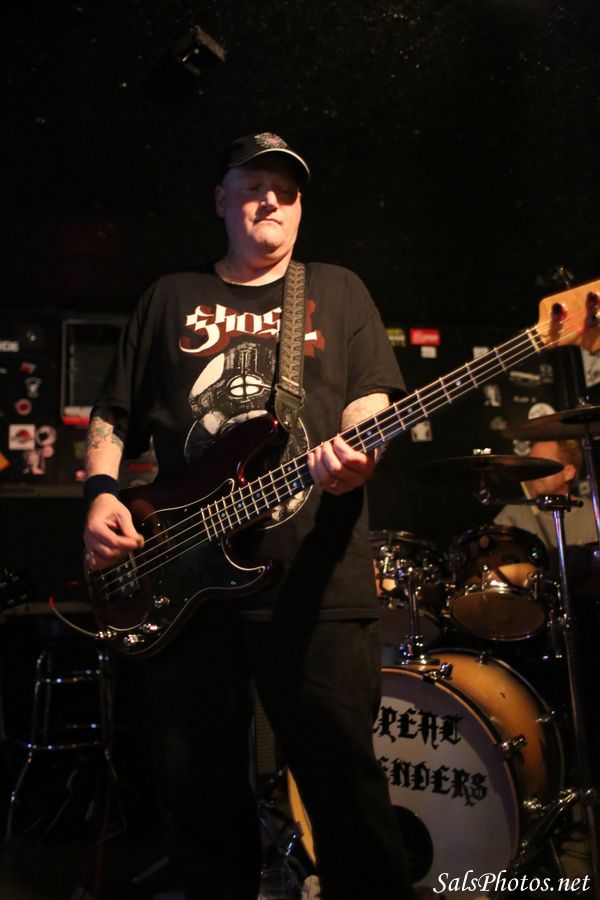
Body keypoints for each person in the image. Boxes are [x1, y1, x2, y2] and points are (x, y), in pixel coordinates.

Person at [83, 133, 416, 900]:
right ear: (221, 200)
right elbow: (113, 412)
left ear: (300, 210)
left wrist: (363, 448)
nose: (271, 199)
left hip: (317, 586)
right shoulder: (170, 297)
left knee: (346, 791)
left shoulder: (337, 289)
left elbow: (371, 396)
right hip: (182, 586)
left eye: (286, 190)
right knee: (196, 798)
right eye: (254, 184)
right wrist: (101, 492)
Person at [494, 439, 598, 549]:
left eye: (544, 464)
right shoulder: (513, 514)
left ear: (568, 472)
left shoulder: (594, 516)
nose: (534, 472)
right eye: (532, 465)